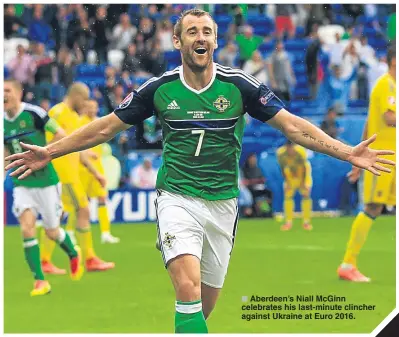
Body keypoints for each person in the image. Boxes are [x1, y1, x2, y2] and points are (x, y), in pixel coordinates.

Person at [5, 9, 395, 333]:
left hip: (223, 205)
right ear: (178, 42)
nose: (200, 36)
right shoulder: (158, 89)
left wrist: (346, 152)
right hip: (176, 198)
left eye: (206, 30)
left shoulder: (239, 86)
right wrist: (51, 152)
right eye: (191, 31)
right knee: (187, 288)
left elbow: (292, 125)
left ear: (215, 41)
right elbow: (107, 126)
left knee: (201, 310)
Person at [3, 79, 83, 296]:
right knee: (27, 229)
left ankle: (73, 253)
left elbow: (61, 135)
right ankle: (40, 281)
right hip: (22, 183)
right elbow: (5, 153)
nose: (4, 95)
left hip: (47, 182)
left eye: (7, 90)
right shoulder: (2, 122)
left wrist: (45, 153)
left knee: (51, 230)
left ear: (19, 93)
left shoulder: (34, 114)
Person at [38, 83, 115, 274]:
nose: (87, 103)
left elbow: (73, 146)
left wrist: (94, 170)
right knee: (82, 209)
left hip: (70, 172)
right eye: (85, 98)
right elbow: (45, 142)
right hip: (62, 173)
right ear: (76, 96)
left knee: (59, 215)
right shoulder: (58, 112)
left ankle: (45, 260)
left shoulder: (73, 116)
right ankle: (88, 258)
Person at [337, 45, 396, 282]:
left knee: (377, 208)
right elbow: (389, 118)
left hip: (389, 158)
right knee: (373, 207)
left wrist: (357, 156)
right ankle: (348, 264)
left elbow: (369, 124)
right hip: (382, 159)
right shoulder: (387, 84)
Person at [77, 100, 120, 244]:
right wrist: (88, 152)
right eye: (90, 107)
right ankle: (70, 231)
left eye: (95, 107)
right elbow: (78, 142)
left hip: (98, 166)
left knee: (102, 198)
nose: (93, 109)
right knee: (80, 202)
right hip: (82, 167)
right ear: (85, 108)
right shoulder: (80, 121)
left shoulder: (99, 121)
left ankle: (105, 233)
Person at [277, 140, 313, 231]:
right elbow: (282, 167)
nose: (290, 151)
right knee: (288, 195)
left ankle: (306, 222)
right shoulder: (280, 153)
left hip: (302, 172)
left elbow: (304, 167)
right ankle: (288, 222)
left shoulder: (300, 151)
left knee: (306, 195)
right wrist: (287, 182)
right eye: (289, 148)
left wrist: (304, 183)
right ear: (286, 147)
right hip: (290, 174)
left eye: (292, 148)